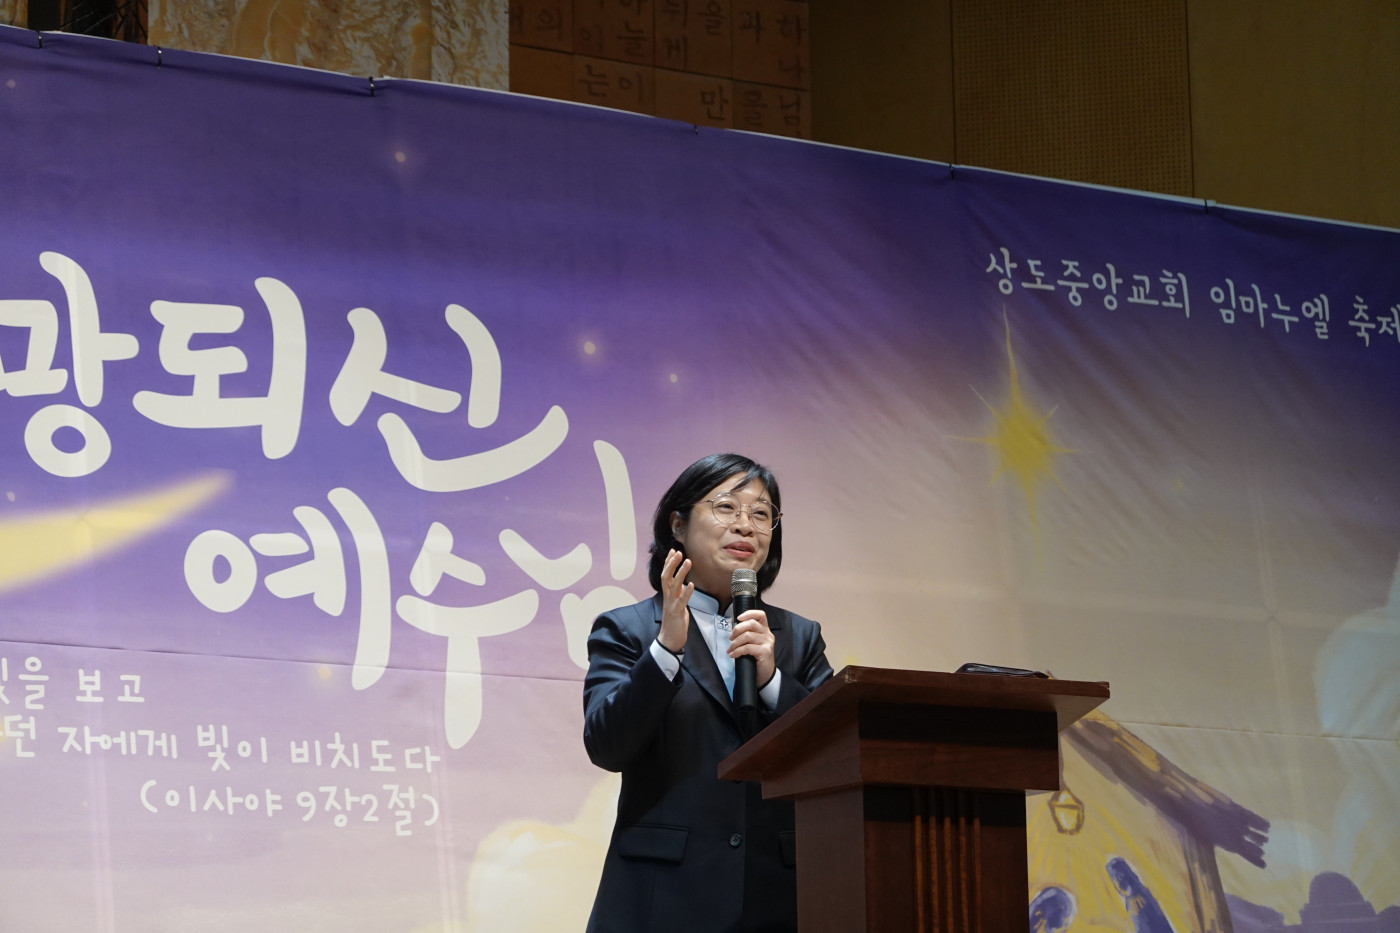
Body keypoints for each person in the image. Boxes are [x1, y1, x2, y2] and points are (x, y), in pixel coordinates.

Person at [582, 453, 834, 932]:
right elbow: (606, 746)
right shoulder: (628, 629)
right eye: (726, 507)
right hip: (660, 897)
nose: (745, 526)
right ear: (678, 525)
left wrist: (771, 681)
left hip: (776, 898)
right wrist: (665, 650)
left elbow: (834, 751)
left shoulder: (798, 637)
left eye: (761, 514)